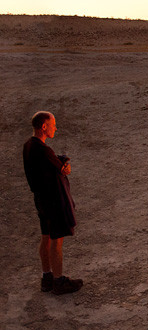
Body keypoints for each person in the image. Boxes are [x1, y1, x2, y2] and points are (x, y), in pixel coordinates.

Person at [23, 111, 83, 294]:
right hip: (53, 202)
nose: (55, 127)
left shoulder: (28, 146)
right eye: (53, 124)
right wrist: (65, 167)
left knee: (45, 239)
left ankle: (47, 277)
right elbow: (62, 170)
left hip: (41, 201)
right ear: (44, 126)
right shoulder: (44, 150)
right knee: (56, 242)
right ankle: (59, 281)